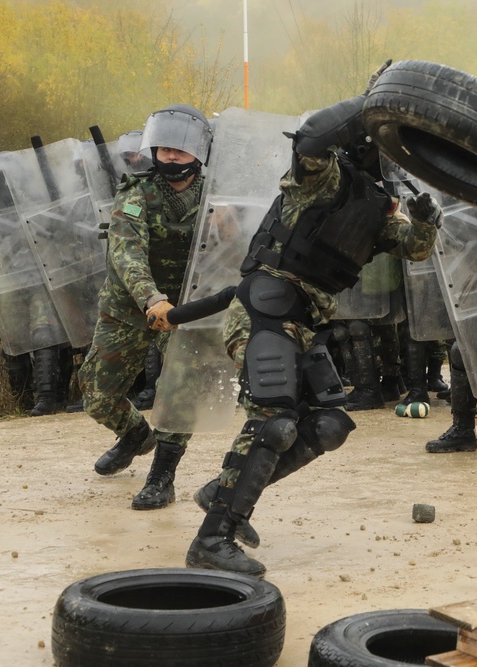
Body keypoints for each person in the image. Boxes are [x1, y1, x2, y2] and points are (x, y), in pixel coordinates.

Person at [186, 68, 442, 577]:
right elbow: (312, 137)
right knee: (274, 421)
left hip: (306, 322)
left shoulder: (377, 204)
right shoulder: (324, 175)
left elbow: (414, 249)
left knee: (326, 426)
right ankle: (213, 537)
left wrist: (426, 219)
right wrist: (376, 97)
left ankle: (223, 490)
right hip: (265, 308)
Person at [79, 104, 212, 512]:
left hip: (186, 312)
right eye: (164, 148)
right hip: (132, 307)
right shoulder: (135, 192)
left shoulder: (215, 194)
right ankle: (136, 435)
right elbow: (127, 252)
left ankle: (162, 478)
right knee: (98, 395)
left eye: (180, 149)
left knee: (179, 396)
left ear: (198, 153)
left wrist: (232, 224)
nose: (170, 156)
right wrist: (152, 298)